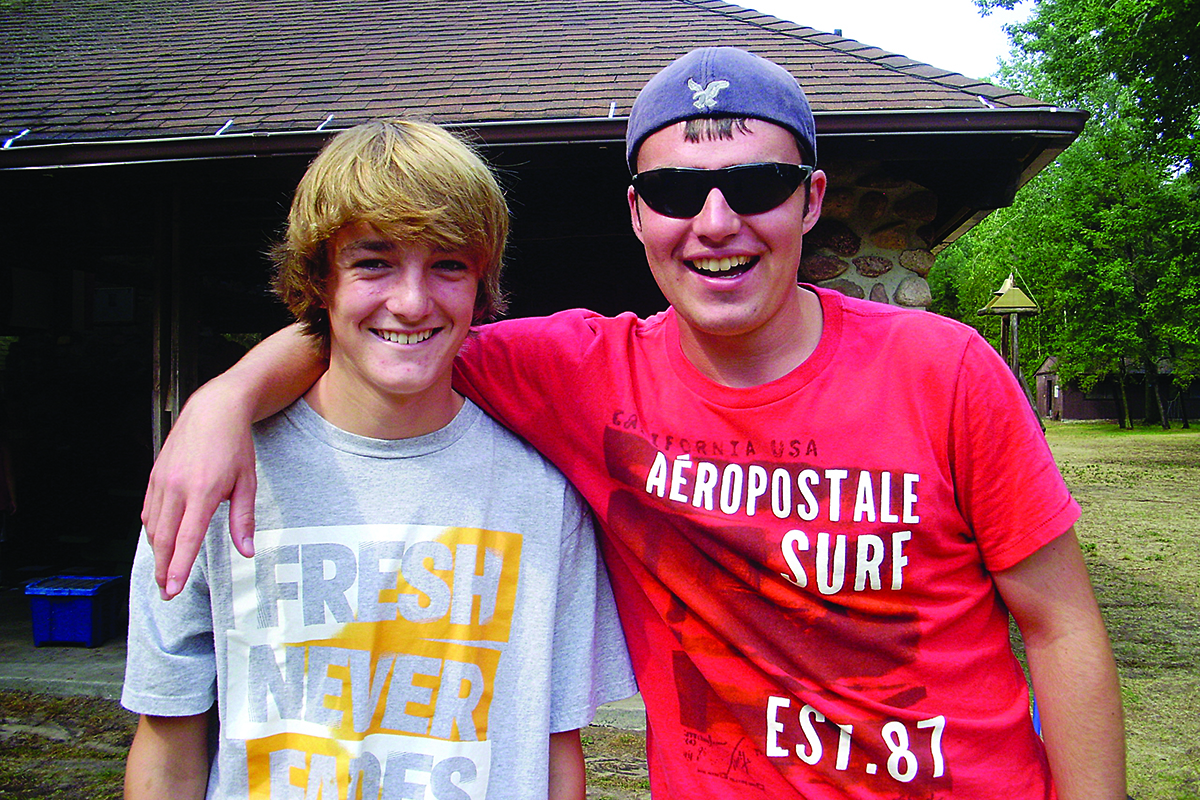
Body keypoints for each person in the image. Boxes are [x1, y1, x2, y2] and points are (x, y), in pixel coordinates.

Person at [141, 48, 1126, 799]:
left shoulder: (946, 371)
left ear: (812, 199)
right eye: (673, 191)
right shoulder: (578, 371)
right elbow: (389, 336)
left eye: (755, 186)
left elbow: (1062, 622)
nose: (714, 220)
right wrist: (225, 399)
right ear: (637, 215)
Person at [122, 119, 635, 800]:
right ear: (320, 278)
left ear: (481, 285)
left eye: (448, 263)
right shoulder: (210, 474)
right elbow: (168, 745)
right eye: (373, 262)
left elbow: (554, 749)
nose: (412, 301)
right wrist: (226, 400)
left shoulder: (541, 491)